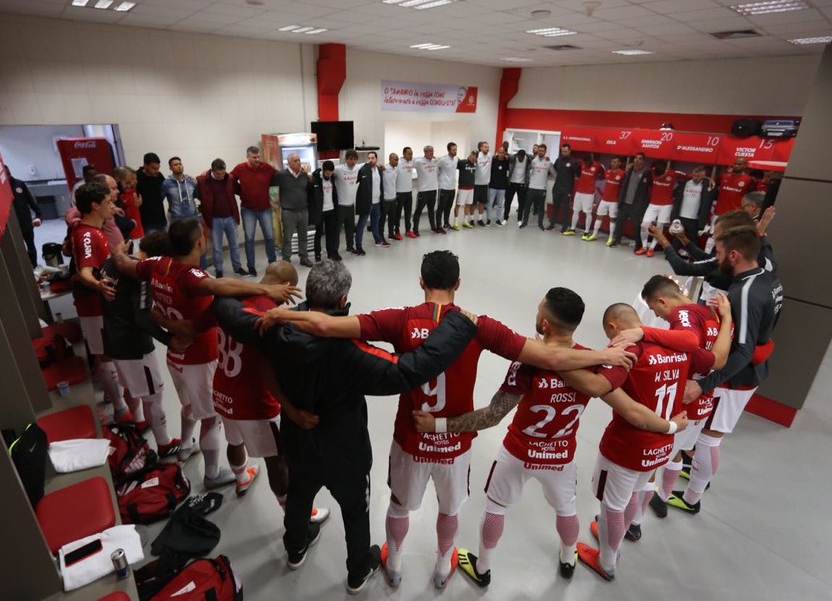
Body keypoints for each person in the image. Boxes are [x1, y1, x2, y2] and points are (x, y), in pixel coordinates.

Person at [258, 251, 638, 590]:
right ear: (458, 284)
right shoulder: (479, 326)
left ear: (421, 282)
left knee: (398, 507)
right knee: (449, 510)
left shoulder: (398, 319)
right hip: (455, 444)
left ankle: (395, 564)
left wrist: (285, 314)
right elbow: (551, 358)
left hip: (410, 437)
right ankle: (443, 566)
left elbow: (326, 326)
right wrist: (601, 354)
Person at [217, 260, 481, 595]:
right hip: (346, 450)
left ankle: (295, 547)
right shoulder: (352, 351)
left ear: (308, 293)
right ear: (343, 301)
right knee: (356, 512)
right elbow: (409, 370)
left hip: (298, 437)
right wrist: (457, 325)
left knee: (298, 496)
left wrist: (264, 291)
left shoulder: (272, 327)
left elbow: (223, 304)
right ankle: (358, 571)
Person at [411, 287, 688, 588]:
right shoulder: (594, 364)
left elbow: (491, 416)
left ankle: (484, 567)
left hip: (518, 452)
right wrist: (669, 426)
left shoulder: (527, 362)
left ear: (544, 324)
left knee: (495, 506)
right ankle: (569, 558)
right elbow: (631, 410)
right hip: (560, 457)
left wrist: (439, 426)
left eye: (539, 309)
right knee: (566, 508)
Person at [112, 217, 301, 490]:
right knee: (212, 420)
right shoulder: (192, 276)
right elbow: (214, 286)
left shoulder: (156, 264)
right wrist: (264, 288)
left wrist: (118, 252)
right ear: (199, 242)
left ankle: (191, 447)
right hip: (200, 358)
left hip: (175, 356)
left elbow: (123, 265)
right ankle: (212, 473)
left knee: (193, 409)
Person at [563, 303, 705, 581]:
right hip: (662, 444)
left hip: (626, 446)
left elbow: (598, 386)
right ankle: (618, 539)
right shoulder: (678, 347)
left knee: (612, 506)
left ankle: (607, 560)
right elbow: (709, 358)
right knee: (638, 491)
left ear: (614, 327)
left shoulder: (629, 353)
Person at [669, 226, 783, 515]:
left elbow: (743, 350)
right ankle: (694, 480)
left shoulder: (744, 292)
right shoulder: (767, 274)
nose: (715, 257)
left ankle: (692, 498)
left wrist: (705, 384)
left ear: (734, 254)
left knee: (710, 437)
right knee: (710, 436)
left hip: (736, 378)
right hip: (748, 372)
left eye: (718, 252)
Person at [205, 260, 329, 527]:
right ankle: (294, 517)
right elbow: (268, 367)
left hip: (223, 390)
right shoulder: (268, 316)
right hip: (255, 404)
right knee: (278, 461)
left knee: (234, 441)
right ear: (286, 287)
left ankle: (241, 478)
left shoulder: (231, 298)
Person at [632, 275, 734, 518]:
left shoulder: (683, 316)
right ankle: (663, 498)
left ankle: (633, 522)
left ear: (662, 300)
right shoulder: (712, 314)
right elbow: (720, 359)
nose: (658, 316)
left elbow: (701, 352)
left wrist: (644, 334)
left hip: (680, 402)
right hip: (702, 402)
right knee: (676, 452)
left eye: (655, 309)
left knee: (650, 464)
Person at [99, 231, 184, 457]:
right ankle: (164, 443)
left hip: (113, 339)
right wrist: (168, 339)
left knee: (133, 388)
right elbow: (142, 317)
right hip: (134, 346)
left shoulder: (109, 262)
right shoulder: (141, 275)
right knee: (153, 393)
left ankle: (138, 422)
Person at [69, 182, 130, 423]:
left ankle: (114, 397)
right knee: (105, 354)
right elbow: (85, 271)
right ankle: (120, 408)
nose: (112, 206)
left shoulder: (93, 229)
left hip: (100, 303)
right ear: (94, 206)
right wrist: (97, 285)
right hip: (93, 305)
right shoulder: (86, 234)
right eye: (107, 203)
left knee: (106, 352)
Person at [229, 146, 279, 277]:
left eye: (258, 157)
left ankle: (272, 262)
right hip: (248, 209)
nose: (257, 159)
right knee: (249, 238)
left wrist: (273, 195)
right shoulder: (240, 168)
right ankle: (251, 266)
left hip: (265, 208)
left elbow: (277, 176)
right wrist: (240, 191)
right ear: (247, 157)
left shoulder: (266, 167)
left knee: (269, 236)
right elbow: (230, 179)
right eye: (254, 157)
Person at [197, 159, 246, 278]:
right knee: (217, 247)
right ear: (212, 171)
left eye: (223, 173)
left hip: (230, 217)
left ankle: (237, 267)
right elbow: (198, 195)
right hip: (214, 219)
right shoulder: (203, 181)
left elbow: (240, 191)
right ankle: (218, 269)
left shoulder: (229, 179)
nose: (221, 176)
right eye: (218, 174)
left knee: (234, 245)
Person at [638, 162, 690, 257]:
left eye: (661, 174)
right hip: (653, 204)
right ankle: (644, 246)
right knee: (644, 224)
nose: (658, 177)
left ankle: (651, 248)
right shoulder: (652, 171)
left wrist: (708, 178)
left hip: (666, 205)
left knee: (659, 227)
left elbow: (689, 176)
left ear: (665, 170)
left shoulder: (673, 173)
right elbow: (642, 168)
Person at [274, 153, 313, 268]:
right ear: (289, 163)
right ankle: (286, 260)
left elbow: (310, 189)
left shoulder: (304, 175)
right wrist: (276, 205)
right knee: (287, 238)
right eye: (295, 161)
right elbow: (273, 189)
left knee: (303, 236)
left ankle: (304, 257)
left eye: (299, 160)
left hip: (303, 210)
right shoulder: (281, 175)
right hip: (288, 211)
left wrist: (310, 179)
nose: (298, 162)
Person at [610, 152, 651, 250]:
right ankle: (617, 239)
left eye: (640, 158)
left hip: (636, 205)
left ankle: (638, 244)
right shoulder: (630, 170)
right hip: (625, 203)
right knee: (619, 222)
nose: (637, 160)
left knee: (636, 226)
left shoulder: (646, 173)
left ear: (643, 161)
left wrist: (642, 207)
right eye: (636, 158)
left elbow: (647, 192)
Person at [6, 165, 42, 266]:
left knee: (31, 246)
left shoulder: (20, 184)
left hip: (26, 223)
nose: (8, 177)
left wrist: (39, 214)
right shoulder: (0, 188)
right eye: (5, 175)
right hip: (13, 227)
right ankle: (25, 269)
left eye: (8, 174)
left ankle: (34, 266)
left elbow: (30, 200)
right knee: (18, 249)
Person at [671, 166, 713, 246]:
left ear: (703, 176)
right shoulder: (684, 183)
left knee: (692, 239)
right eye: (694, 175)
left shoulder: (707, 186)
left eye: (698, 176)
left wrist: (709, 179)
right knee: (677, 237)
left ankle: (691, 256)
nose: (695, 178)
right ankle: (674, 254)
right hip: (681, 216)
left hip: (695, 218)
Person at [586, 156, 624, 243]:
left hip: (614, 201)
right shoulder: (607, 172)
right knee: (599, 216)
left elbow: (623, 188)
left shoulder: (622, 174)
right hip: (604, 199)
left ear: (619, 163)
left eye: (615, 162)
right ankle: (594, 234)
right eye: (612, 162)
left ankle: (610, 237)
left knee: (612, 219)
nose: (613, 163)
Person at [308, 160, 339, 262]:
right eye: (327, 173)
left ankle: (330, 253)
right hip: (320, 211)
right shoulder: (315, 179)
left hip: (331, 209)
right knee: (319, 233)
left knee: (330, 232)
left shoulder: (332, 178)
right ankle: (317, 254)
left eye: (331, 173)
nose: (328, 175)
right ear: (323, 171)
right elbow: (309, 194)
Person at [354, 151, 383, 253]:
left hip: (377, 201)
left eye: (373, 158)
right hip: (367, 202)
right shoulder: (363, 169)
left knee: (375, 223)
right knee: (361, 224)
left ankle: (378, 240)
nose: (371, 160)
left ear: (376, 159)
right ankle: (358, 245)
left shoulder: (379, 170)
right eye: (369, 158)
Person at [567, 153, 602, 237]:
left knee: (588, 213)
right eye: (584, 162)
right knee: (575, 210)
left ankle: (586, 232)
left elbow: (602, 176)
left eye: (587, 162)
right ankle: (572, 229)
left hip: (589, 193)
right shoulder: (581, 163)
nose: (586, 163)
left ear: (591, 159)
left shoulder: (598, 166)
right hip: (579, 191)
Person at [413, 145, 442, 235]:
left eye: (432, 151)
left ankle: (433, 227)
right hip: (423, 190)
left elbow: (439, 161)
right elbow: (411, 160)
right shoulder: (419, 162)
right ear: (425, 152)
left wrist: (435, 158)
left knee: (431, 210)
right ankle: (415, 229)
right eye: (429, 151)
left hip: (433, 189)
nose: (432, 153)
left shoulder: (435, 162)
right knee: (419, 210)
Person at [335, 150, 361, 252]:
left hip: (351, 205)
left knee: (350, 228)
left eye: (355, 159)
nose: (353, 162)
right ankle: (334, 250)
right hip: (340, 205)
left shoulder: (357, 168)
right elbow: (324, 171)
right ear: (346, 159)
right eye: (350, 159)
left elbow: (368, 164)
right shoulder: (338, 169)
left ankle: (350, 246)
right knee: (337, 230)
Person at [549, 143, 579, 233]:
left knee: (566, 210)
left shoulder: (574, 162)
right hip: (557, 189)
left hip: (567, 190)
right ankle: (552, 224)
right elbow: (553, 170)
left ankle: (564, 227)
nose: (564, 153)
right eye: (562, 151)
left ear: (569, 151)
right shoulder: (558, 160)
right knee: (555, 208)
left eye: (565, 151)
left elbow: (578, 174)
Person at [521, 144, 551, 230]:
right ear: (537, 151)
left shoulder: (548, 162)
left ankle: (540, 224)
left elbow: (554, 172)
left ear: (545, 151)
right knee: (527, 206)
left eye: (542, 151)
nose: (540, 152)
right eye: (539, 150)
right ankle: (524, 222)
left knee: (541, 208)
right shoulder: (533, 161)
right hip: (532, 187)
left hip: (542, 189)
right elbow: (527, 170)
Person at [114, 166, 144, 250]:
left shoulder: (133, 191)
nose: (130, 185)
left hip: (138, 231)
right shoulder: (118, 197)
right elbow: (123, 217)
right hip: (128, 234)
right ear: (117, 180)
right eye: (127, 182)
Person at [136, 152, 167, 234]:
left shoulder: (159, 176)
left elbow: (166, 187)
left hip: (161, 219)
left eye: (158, 168)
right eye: (153, 168)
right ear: (145, 165)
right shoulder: (137, 177)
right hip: (147, 222)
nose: (156, 171)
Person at [161, 156, 200, 222]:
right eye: (175, 165)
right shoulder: (166, 183)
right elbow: (160, 199)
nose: (179, 166)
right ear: (170, 168)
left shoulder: (190, 181)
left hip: (193, 217)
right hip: (176, 219)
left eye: (180, 164)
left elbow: (198, 195)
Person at [394, 147, 415, 241]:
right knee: (397, 214)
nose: (411, 155)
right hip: (399, 192)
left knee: (408, 213)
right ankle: (397, 231)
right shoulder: (398, 163)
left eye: (411, 153)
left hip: (408, 192)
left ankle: (408, 230)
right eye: (409, 154)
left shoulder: (411, 162)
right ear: (404, 154)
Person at [436, 142, 458, 230]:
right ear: (449, 150)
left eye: (456, 149)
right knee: (441, 207)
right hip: (444, 187)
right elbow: (436, 169)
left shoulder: (456, 159)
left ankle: (446, 223)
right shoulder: (442, 160)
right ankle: (438, 225)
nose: (455, 151)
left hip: (452, 187)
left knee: (448, 207)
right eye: (453, 150)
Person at [454, 151, 477, 230]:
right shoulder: (462, 163)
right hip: (462, 188)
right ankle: (455, 222)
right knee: (458, 205)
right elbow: (453, 164)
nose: (475, 158)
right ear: (471, 154)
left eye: (477, 157)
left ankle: (465, 221)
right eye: (475, 156)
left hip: (471, 188)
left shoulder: (475, 163)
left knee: (468, 204)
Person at [505, 148, 529, 224]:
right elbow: (505, 158)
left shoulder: (528, 158)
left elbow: (536, 157)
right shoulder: (512, 158)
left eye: (522, 158)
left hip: (522, 184)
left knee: (521, 203)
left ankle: (519, 219)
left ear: (524, 156)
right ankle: (505, 217)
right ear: (517, 155)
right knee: (508, 201)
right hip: (511, 183)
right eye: (519, 157)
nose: (520, 159)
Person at [487, 146, 510, 226]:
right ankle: (488, 219)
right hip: (492, 186)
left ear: (505, 153)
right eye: (499, 152)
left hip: (502, 187)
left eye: (502, 152)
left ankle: (498, 219)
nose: (501, 154)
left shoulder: (507, 161)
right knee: (490, 204)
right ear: (497, 152)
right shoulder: (493, 160)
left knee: (500, 205)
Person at [380, 153, 399, 243]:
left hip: (393, 198)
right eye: (395, 159)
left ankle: (391, 234)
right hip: (385, 199)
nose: (396, 161)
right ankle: (380, 236)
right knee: (382, 219)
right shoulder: (384, 169)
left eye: (397, 159)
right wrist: (380, 166)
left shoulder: (396, 169)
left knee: (392, 218)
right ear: (390, 159)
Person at [473, 141, 492, 226]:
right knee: (473, 203)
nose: (487, 148)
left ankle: (480, 219)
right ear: (481, 148)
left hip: (485, 183)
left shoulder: (490, 155)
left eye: (487, 147)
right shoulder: (477, 156)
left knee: (482, 202)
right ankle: (471, 219)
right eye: (485, 147)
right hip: (476, 183)